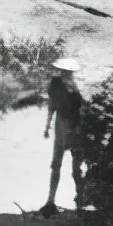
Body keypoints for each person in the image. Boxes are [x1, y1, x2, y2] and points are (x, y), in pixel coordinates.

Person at [43, 60, 90, 212]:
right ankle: (50, 201)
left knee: (75, 167)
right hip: (63, 126)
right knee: (57, 163)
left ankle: (80, 201)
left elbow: (82, 107)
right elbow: (52, 105)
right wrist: (47, 125)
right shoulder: (56, 85)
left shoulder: (75, 88)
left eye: (68, 72)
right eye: (64, 72)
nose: (65, 74)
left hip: (73, 126)